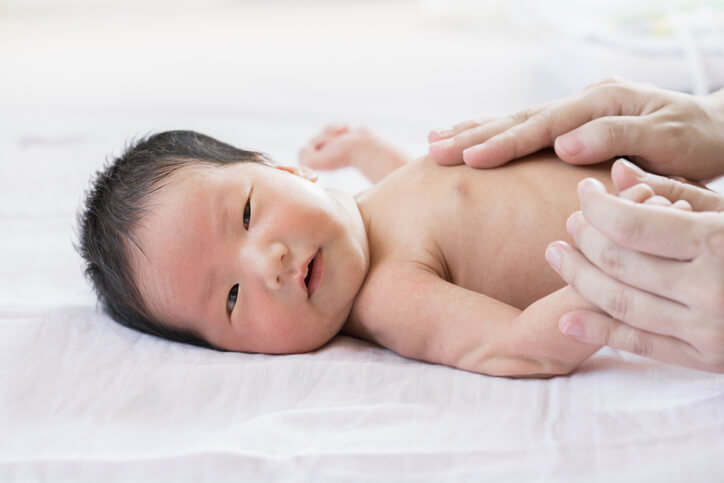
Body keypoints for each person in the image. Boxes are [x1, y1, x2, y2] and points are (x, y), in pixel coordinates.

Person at [79, 128, 633, 378]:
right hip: (657, 245)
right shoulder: (391, 295)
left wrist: (368, 151)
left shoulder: (370, 212)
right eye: (230, 297)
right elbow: (515, 347)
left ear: (285, 170)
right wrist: (619, 277)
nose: (264, 264)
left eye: (247, 214)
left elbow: (423, 198)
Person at [427, 77, 724, 373]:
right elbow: (514, 347)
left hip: (659, 189)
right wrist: (611, 283)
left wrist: (714, 117)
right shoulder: (388, 289)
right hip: (667, 251)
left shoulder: (382, 205)